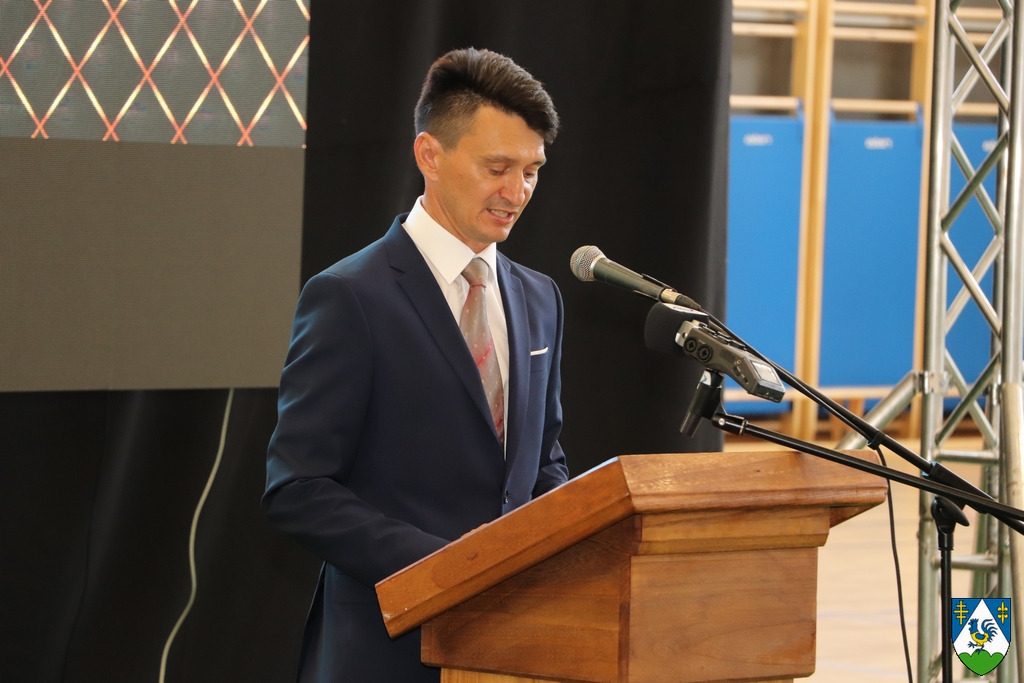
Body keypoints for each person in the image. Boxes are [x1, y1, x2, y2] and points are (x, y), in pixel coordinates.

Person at [262, 48, 570, 682]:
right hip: (387, 649)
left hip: (515, 647)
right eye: (497, 168)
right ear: (429, 155)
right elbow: (299, 487)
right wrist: (450, 568)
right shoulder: (350, 296)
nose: (517, 192)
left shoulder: (540, 298)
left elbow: (542, 463)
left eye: (532, 171)